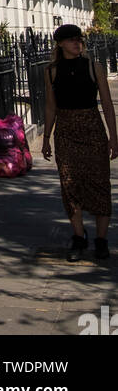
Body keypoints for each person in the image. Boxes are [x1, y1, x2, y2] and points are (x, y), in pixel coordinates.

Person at [42, 24, 118, 261]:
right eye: (73, 40)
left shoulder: (94, 67)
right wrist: (45, 137)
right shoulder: (52, 71)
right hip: (65, 131)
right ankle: (78, 236)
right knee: (69, 184)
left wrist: (113, 137)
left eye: (80, 40)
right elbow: (51, 105)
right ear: (61, 44)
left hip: (92, 129)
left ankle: (101, 239)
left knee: (99, 182)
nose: (78, 44)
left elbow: (106, 104)